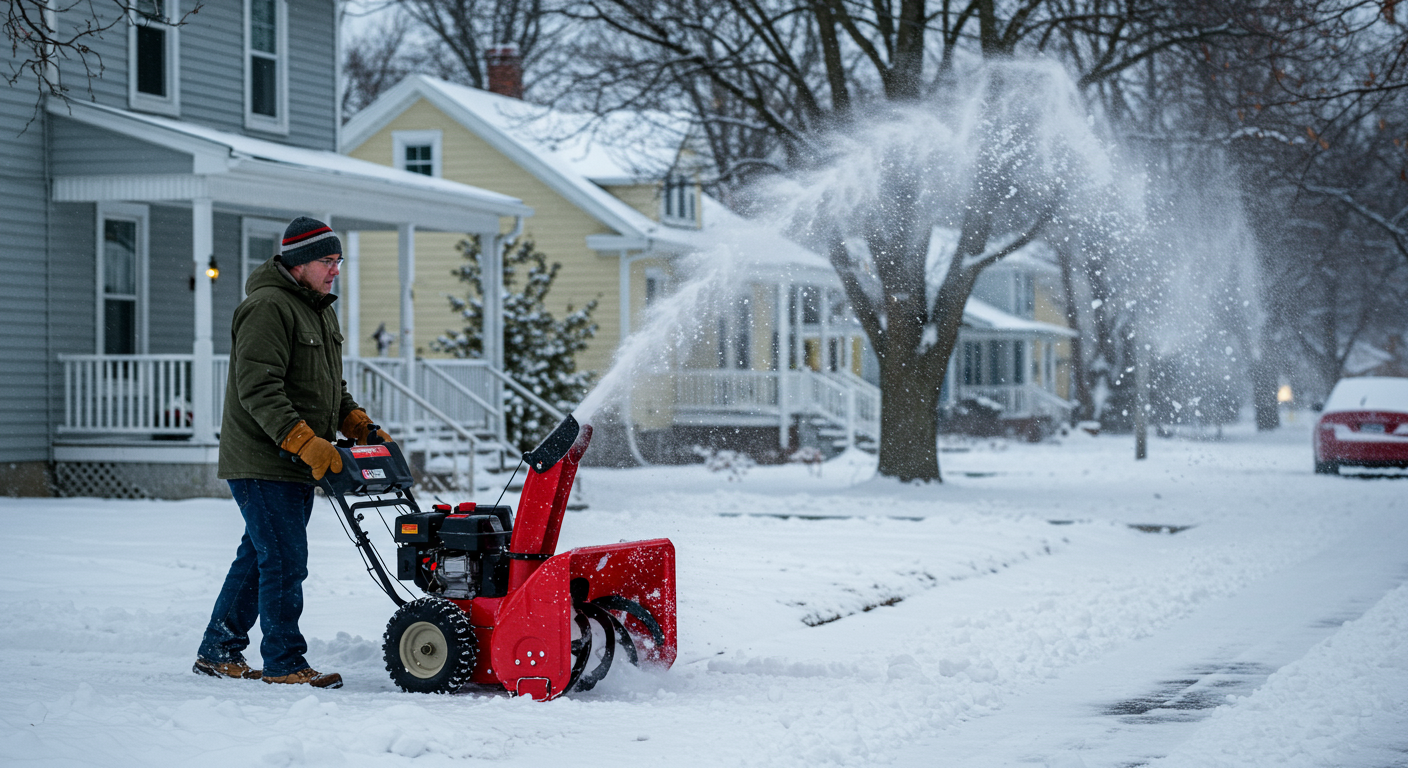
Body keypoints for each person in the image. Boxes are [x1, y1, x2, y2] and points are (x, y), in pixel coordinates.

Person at [194, 216, 391, 688]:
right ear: (299, 262)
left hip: (298, 459)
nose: (335, 270)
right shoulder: (266, 307)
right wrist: (305, 441)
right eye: (328, 260)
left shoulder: (319, 308)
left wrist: (358, 424)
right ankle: (284, 661)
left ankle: (218, 649)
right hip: (264, 458)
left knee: (261, 555)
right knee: (284, 558)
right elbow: (258, 389)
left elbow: (327, 386)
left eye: (339, 260)